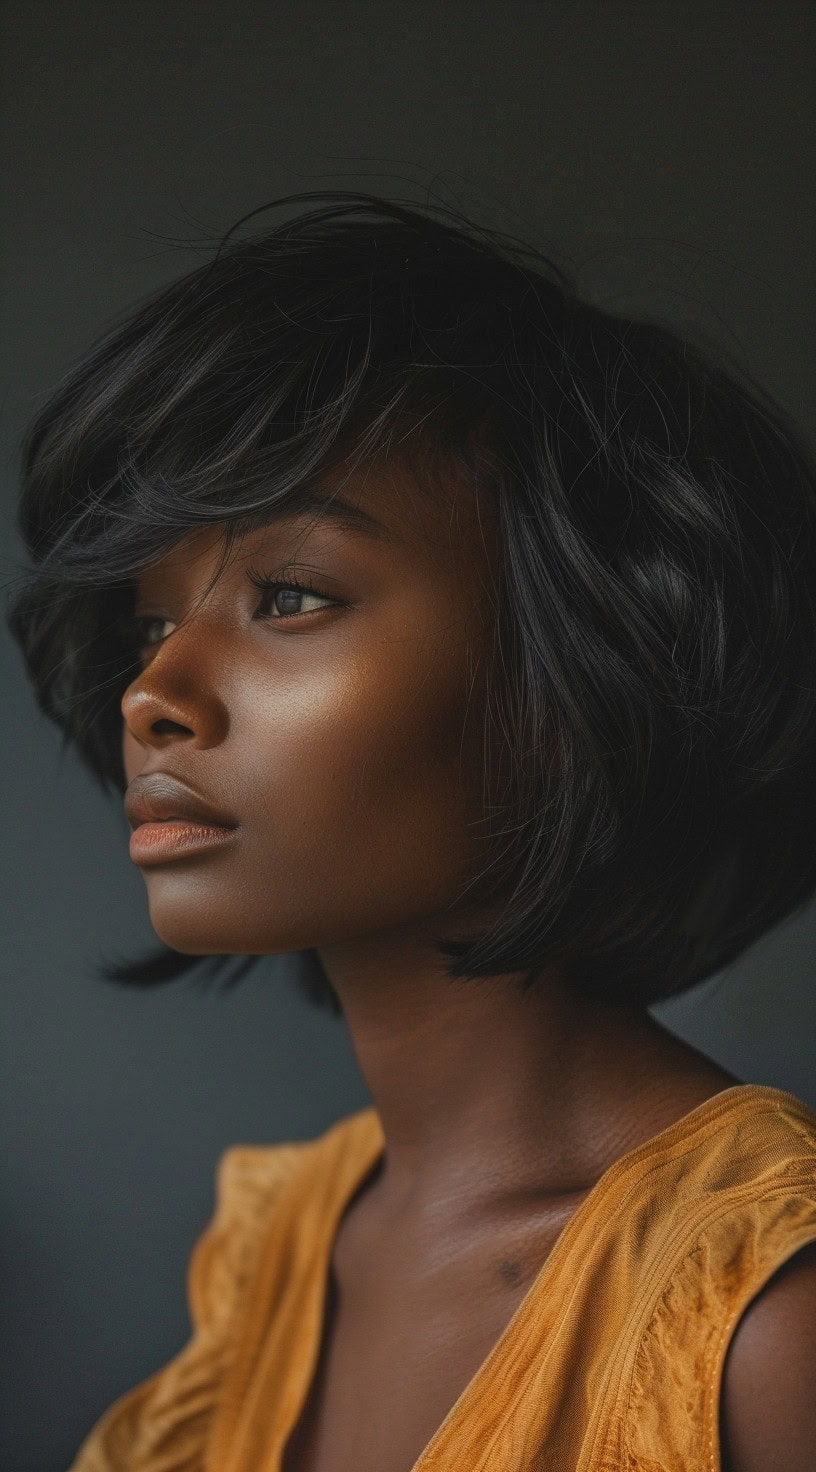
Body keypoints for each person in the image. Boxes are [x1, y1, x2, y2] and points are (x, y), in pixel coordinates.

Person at [6, 191, 816, 1471]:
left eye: (290, 594)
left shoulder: (764, 1321)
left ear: (576, 677)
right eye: (154, 622)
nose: (151, 693)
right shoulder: (278, 1253)